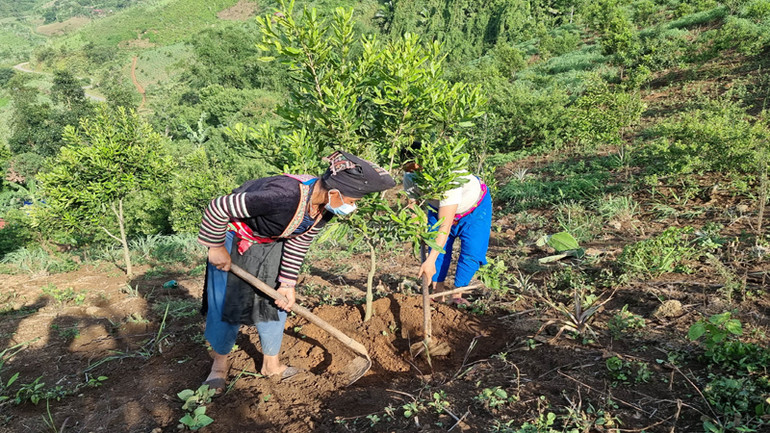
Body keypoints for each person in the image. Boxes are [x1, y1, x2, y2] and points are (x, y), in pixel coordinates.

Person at [198, 150, 395, 393]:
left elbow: (299, 240)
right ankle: (219, 366)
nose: (352, 207)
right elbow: (218, 207)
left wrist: (287, 283)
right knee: (228, 305)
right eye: (352, 201)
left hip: (271, 242)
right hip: (235, 238)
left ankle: (271, 365)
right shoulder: (283, 196)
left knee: (276, 302)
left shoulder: (324, 208)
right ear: (334, 193)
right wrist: (216, 247)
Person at [402, 144, 492, 306]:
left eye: (417, 170)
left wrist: (429, 262)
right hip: (437, 208)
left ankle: (457, 295)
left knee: (472, 252)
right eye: (410, 170)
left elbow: (445, 226)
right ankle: (438, 294)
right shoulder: (410, 176)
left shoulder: (448, 179)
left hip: (475, 209)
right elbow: (413, 207)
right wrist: (417, 229)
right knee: (436, 251)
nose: (415, 175)